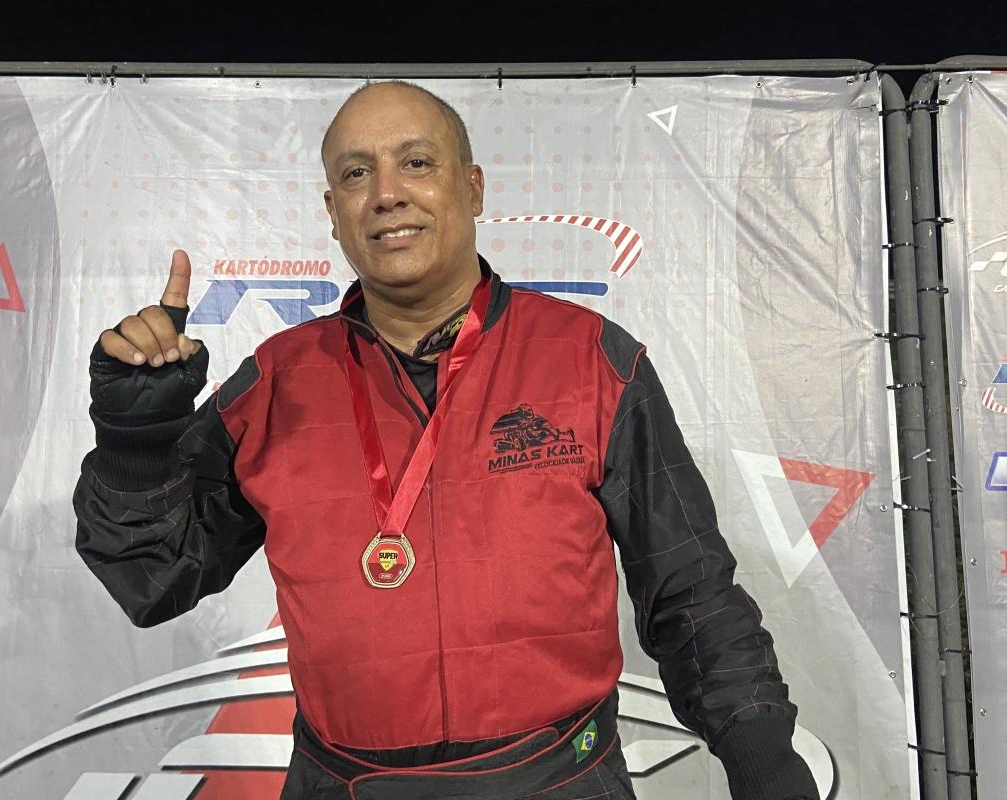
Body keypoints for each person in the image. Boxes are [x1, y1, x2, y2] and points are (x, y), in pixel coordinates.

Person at [73, 80, 820, 800]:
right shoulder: (275, 382)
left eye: (416, 162)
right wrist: (135, 443)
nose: (386, 193)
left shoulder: (591, 361)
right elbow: (154, 581)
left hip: (561, 783)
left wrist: (764, 763)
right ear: (333, 213)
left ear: (474, 187)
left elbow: (692, 592)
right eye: (356, 173)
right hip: (344, 787)